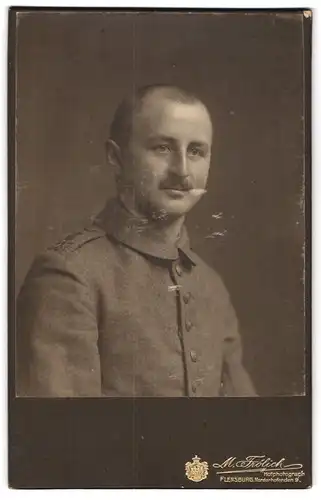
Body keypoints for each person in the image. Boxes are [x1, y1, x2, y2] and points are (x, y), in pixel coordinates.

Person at [16, 84, 257, 397]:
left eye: (196, 151)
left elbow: (246, 426)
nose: (182, 171)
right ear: (116, 158)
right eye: (162, 148)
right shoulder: (69, 276)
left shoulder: (211, 287)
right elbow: (64, 437)